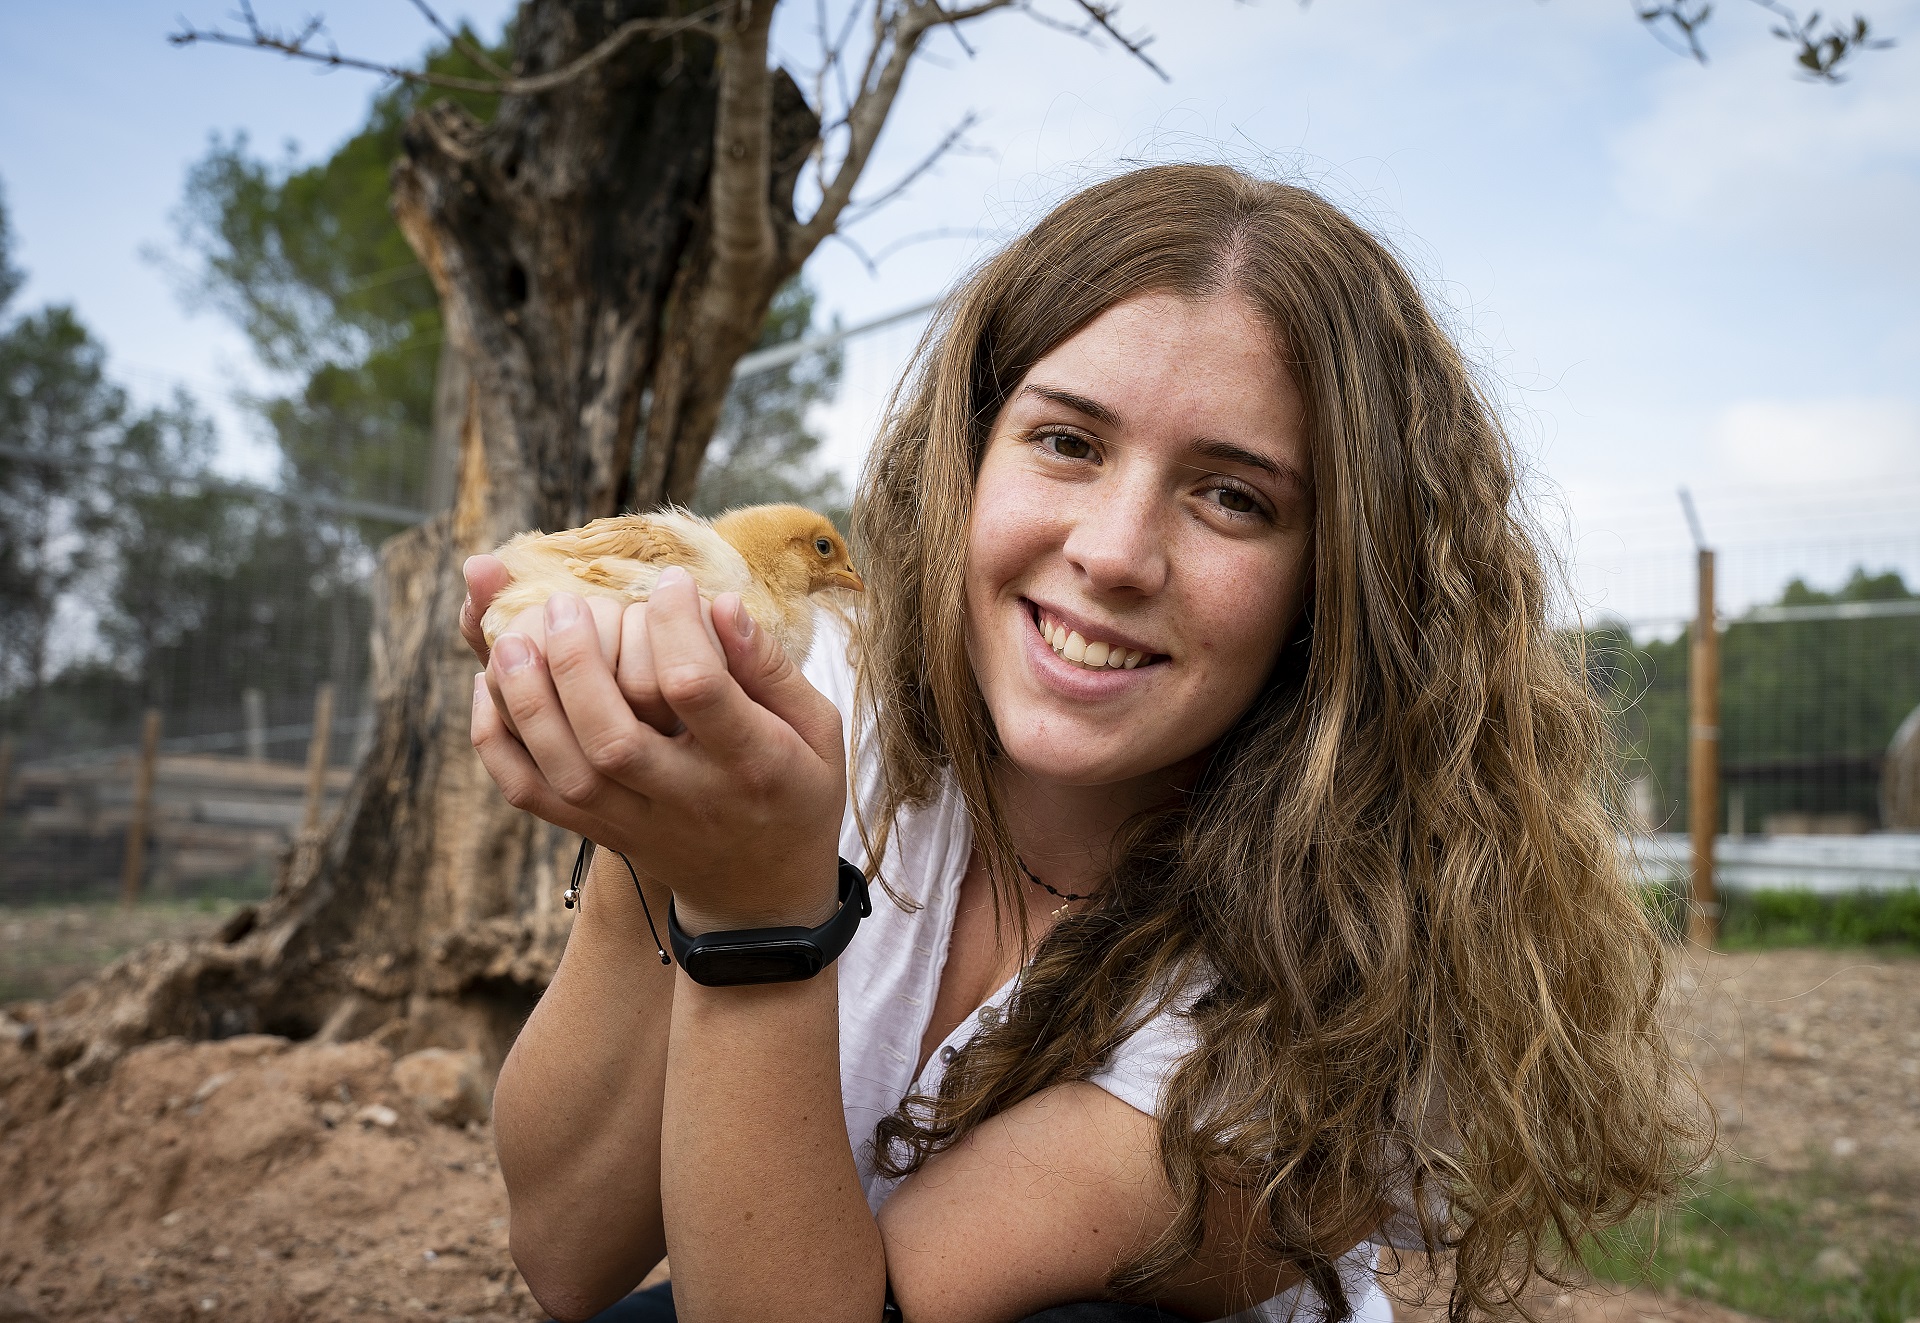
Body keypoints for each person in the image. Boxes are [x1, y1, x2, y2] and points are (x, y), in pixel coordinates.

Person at [459, 164, 1702, 1323]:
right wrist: (654, 847)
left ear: (1336, 583)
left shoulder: (1341, 987)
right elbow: (568, 1253)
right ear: (968, 460)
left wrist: (753, 915)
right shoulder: (806, 703)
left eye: (1233, 496)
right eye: (1067, 441)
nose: (1112, 552)